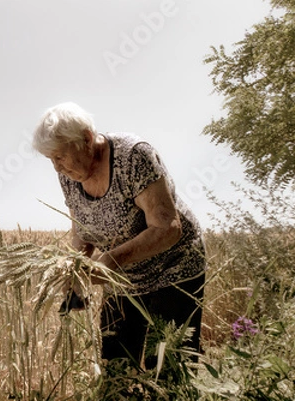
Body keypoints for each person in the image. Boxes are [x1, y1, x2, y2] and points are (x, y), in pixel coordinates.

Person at [32, 102, 206, 367]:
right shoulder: (70, 174)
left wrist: (110, 262)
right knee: (116, 363)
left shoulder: (134, 156)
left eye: (60, 157)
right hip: (123, 278)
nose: (57, 168)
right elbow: (82, 230)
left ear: (86, 139)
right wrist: (76, 274)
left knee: (169, 365)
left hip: (174, 269)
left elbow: (167, 227)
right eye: (51, 160)